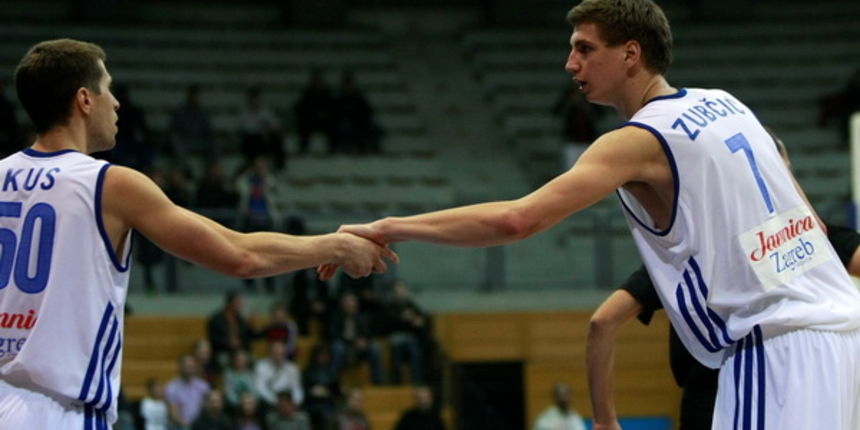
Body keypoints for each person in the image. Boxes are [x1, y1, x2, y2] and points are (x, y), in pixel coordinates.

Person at [323, 2, 860, 429]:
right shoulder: (728, 103)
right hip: (841, 335)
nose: (570, 63)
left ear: (631, 53)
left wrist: (391, 227)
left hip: (776, 348)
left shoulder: (639, 138)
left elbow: (518, 220)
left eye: (584, 48)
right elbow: (807, 218)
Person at [0, 38, 396, 429]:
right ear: (85, 100)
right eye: (108, 89)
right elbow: (239, 254)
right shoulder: (109, 185)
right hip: (58, 411)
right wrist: (338, 245)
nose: (116, 102)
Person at [587, 130, 860, 430]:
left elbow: (602, 322)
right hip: (747, 387)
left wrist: (604, 419)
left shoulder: (699, 252)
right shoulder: (790, 239)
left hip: (758, 387)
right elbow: (603, 321)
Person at [208, 290, 256, 365]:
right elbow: (213, 339)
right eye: (238, 301)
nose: (241, 304)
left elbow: (248, 337)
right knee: (223, 360)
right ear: (230, 302)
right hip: (223, 351)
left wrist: (251, 324)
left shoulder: (241, 320)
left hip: (240, 351)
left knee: (252, 360)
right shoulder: (216, 319)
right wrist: (228, 343)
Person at [167, 84, 215, 159]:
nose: (194, 98)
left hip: (200, 141)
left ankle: (213, 167)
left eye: (196, 96)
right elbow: (174, 130)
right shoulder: (179, 111)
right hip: (184, 141)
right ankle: (182, 167)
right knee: (175, 140)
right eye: (193, 96)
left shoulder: (204, 112)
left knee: (214, 142)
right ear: (188, 96)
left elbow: (208, 130)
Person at [165, 354, 210, 430]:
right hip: (180, 426)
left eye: (191, 366)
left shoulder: (203, 386)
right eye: (186, 366)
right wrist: (188, 426)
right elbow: (174, 415)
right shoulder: (172, 387)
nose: (189, 369)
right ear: (180, 367)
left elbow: (207, 409)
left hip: (200, 425)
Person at [255, 340, 304, 408]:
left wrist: (295, 403)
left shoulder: (292, 368)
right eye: (276, 353)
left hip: (288, 401)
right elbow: (260, 387)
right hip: (269, 401)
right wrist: (275, 402)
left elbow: (296, 388)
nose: (278, 356)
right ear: (270, 353)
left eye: (281, 354)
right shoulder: (261, 366)